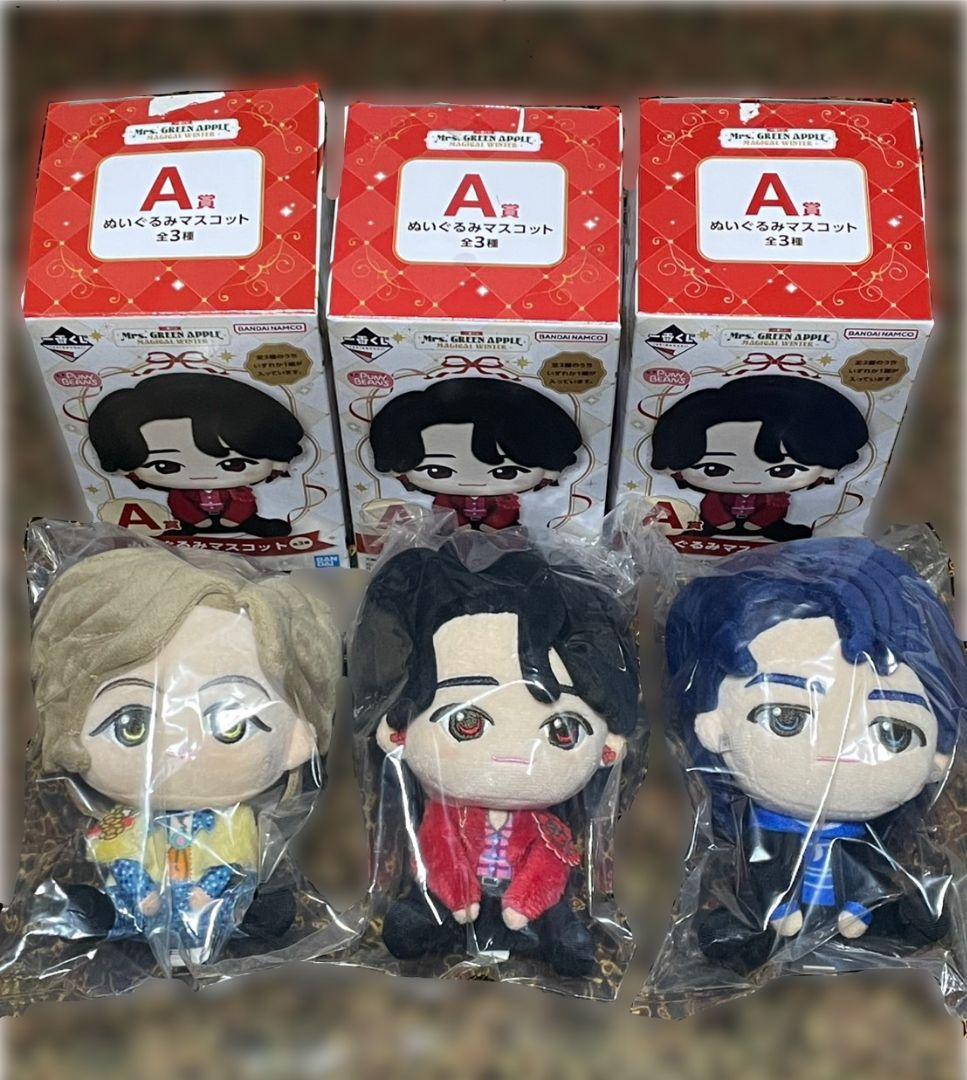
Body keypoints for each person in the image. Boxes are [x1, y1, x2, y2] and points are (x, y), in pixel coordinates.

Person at [29, 543, 339, 968]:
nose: (179, 747)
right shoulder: (125, 822)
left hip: (207, 903)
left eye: (231, 725)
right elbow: (120, 858)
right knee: (117, 902)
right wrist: (144, 893)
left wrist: (205, 892)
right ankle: (104, 914)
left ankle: (242, 916)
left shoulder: (233, 824)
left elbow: (233, 864)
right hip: (141, 905)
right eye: (132, 724)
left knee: (244, 899)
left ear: (297, 740)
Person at [664, 538, 964, 973]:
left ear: (938, 757)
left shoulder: (871, 834)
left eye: (895, 733)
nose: (837, 751)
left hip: (852, 917)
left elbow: (870, 869)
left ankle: (878, 922)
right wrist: (776, 907)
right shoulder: (761, 828)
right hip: (778, 915)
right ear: (713, 724)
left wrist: (862, 906)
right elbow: (762, 872)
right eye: (786, 718)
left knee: (902, 917)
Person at [350, 540, 639, 977]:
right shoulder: (445, 813)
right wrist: (460, 896)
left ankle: (550, 938)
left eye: (562, 730)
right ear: (399, 733)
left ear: (608, 747)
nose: (513, 757)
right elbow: (437, 850)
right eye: (466, 722)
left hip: (522, 904)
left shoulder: (546, 825)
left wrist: (524, 904)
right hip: (458, 899)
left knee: (559, 922)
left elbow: (550, 863)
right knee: (419, 916)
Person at [650, 376, 869, 541]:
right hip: (715, 528)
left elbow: (776, 508)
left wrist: (757, 523)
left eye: (782, 470)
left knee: (778, 528)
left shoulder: (776, 497)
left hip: (768, 530)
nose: (746, 480)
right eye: (714, 468)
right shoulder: (717, 495)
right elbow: (711, 505)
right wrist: (722, 523)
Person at [88, 373, 305, 538]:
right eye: (165, 466)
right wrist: (197, 520)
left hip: (239, 521)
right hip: (191, 523)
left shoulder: (238, 491)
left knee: (251, 520)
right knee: (179, 528)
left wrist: (234, 518)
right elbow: (180, 504)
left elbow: (244, 504)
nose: (202, 476)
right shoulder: (181, 494)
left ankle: (250, 525)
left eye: (235, 464)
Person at [368, 378, 583, 529]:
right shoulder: (447, 498)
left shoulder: (505, 498)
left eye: (505, 472)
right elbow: (444, 511)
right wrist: (456, 527)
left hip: (503, 535)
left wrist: (495, 528)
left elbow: (507, 513)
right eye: (437, 470)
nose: (472, 482)